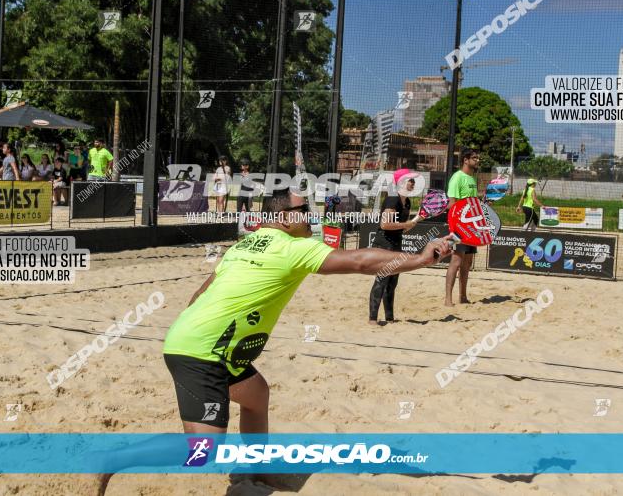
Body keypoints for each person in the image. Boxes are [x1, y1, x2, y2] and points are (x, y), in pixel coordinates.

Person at [86, 188, 453, 494]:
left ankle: (257, 470)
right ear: (282, 218)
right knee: (202, 450)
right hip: (203, 351)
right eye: (303, 210)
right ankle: (114, 459)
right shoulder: (292, 248)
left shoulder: (245, 244)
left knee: (256, 393)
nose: (311, 215)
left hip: (198, 340)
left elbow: (202, 293)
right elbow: (359, 261)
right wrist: (420, 259)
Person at [368, 169, 416, 325]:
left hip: (396, 243)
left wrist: (412, 223)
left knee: (392, 282)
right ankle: (372, 319)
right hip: (384, 244)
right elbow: (385, 224)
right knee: (382, 280)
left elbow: (402, 227)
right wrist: (406, 224)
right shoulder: (392, 199)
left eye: (413, 181)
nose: (413, 183)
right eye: (410, 180)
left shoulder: (407, 202)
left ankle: (389, 317)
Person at [445, 148, 480, 306]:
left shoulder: (472, 178)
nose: (477, 160)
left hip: (472, 226)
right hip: (458, 226)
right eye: (474, 158)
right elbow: (451, 204)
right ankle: (448, 299)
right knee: (456, 261)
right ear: (465, 160)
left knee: (467, 263)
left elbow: (473, 203)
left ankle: (463, 297)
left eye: (477, 157)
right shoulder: (457, 177)